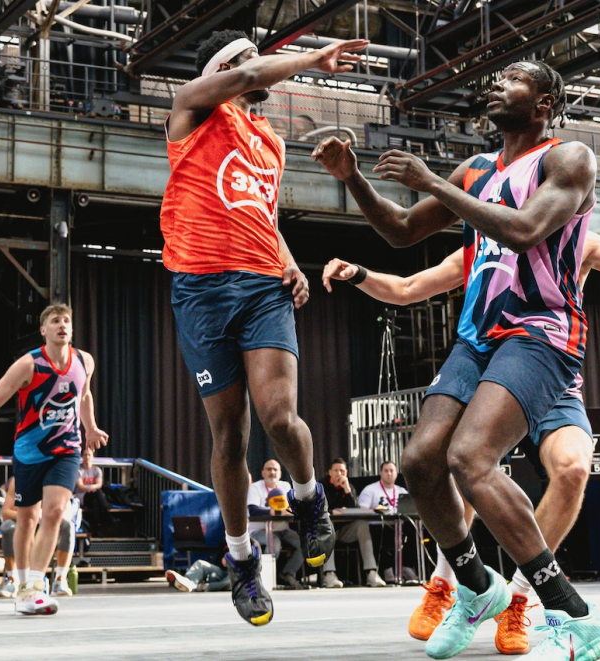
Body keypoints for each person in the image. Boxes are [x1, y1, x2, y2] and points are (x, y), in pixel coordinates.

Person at [321, 162, 600, 650]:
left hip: (549, 377)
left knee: (572, 468)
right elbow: (409, 288)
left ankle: (521, 597)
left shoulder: (577, 241)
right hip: (492, 368)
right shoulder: (481, 246)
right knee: (465, 460)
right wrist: (359, 273)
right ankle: (454, 585)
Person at [312, 60, 600, 660]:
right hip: (477, 337)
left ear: (544, 102)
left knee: (471, 457)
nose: (496, 84)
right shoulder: (476, 169)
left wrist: (432, 182)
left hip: (540, 331)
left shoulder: (569, 159)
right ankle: (477, 587)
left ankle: (575, 614)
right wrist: (354, 179)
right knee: (420, 462)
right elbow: (402, 231)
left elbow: (525, 229)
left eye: (514, 78)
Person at [159, 28, 366, 625]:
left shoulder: (270, 143)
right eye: (248, 59)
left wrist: (288, 261)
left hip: (260, 288)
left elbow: (262, 216)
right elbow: (249, 76)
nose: (260, 68)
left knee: (279, 417)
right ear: (222, 71)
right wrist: (314, 57)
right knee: (229, 435)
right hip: (200, 291)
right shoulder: (192, 108)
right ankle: (242, 560)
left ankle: (308, 497)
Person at [0, 303, 107, 616]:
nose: (62, 325)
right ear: (43, 330)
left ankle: (35, 586)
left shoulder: (84, 361)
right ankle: (22, 585)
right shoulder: (28, 365)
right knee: (27, 518)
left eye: (66, 321)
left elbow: (84, 395)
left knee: (55, 511)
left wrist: (90, 428)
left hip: (66, 449)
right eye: (55, 321)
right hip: (30, 452)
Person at [244, 459, 304, 589]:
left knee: (305, 543)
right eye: (269, 469)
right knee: (274, 545)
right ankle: (263, 579)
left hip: (282, 529)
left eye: (275, 469)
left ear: (280, 474)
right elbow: (253, 510)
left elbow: (293, 508)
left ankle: (287, 573)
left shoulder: (285, 486)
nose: (272, 472)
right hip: (260, 530)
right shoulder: (255, 487)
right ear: (263, 473)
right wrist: (277, 512)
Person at [319, 458, 374, 589]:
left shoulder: (349, 487)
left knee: (362, 525)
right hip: (324, 530)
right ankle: (329, 574)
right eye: (336, 471)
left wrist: (347, 489)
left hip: (343, 530)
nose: (339, 474)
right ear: (330, 472)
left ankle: (371, 572)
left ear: (346, 473)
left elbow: (355, 511)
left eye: (342, 471)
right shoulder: (320, 486)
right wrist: (332, 511)